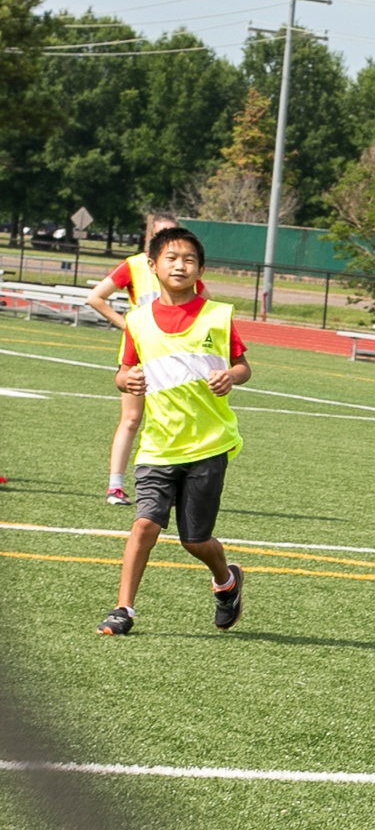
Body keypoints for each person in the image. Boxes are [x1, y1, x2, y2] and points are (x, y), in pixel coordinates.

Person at [96, 225, 249, 637]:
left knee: (194, 540)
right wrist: (124, 381)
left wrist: (230, 376)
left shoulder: (217, 315)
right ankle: (123, 609)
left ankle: (226, 580)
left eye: (189, 260)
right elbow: (123, 371)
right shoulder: (138, 320)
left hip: (208, 444)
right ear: (152, 266)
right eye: (171, 258)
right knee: (144, 523)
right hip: (158, 445)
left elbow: (243, 366)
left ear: (201, 269)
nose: (180, 265)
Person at [85, 211, 206, 506]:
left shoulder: (183, 271)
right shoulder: (136, 265)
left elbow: (207, 307)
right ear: (148, 237)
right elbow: (95, 297)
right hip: (143, 353)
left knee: (181, 417)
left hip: (176, 354)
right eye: (161, 234)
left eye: (174, 232)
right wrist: (130, 326)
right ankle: (115, 485)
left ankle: (177, 484)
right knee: (131, 418)